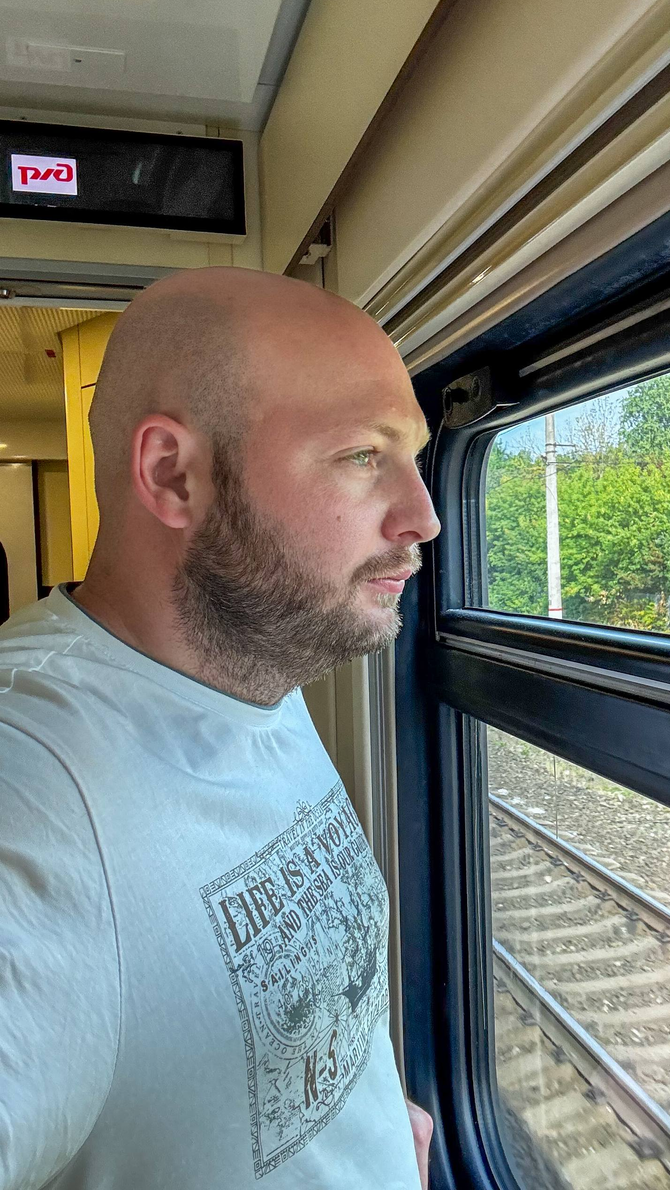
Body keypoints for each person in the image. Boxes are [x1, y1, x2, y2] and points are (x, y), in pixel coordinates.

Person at [0, 267, 440, 1189]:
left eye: (415, 456)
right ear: (174, 474)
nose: (425, 518)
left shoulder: (258, 665)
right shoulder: (33, 782)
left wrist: (368, 1120)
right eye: (364, 455)